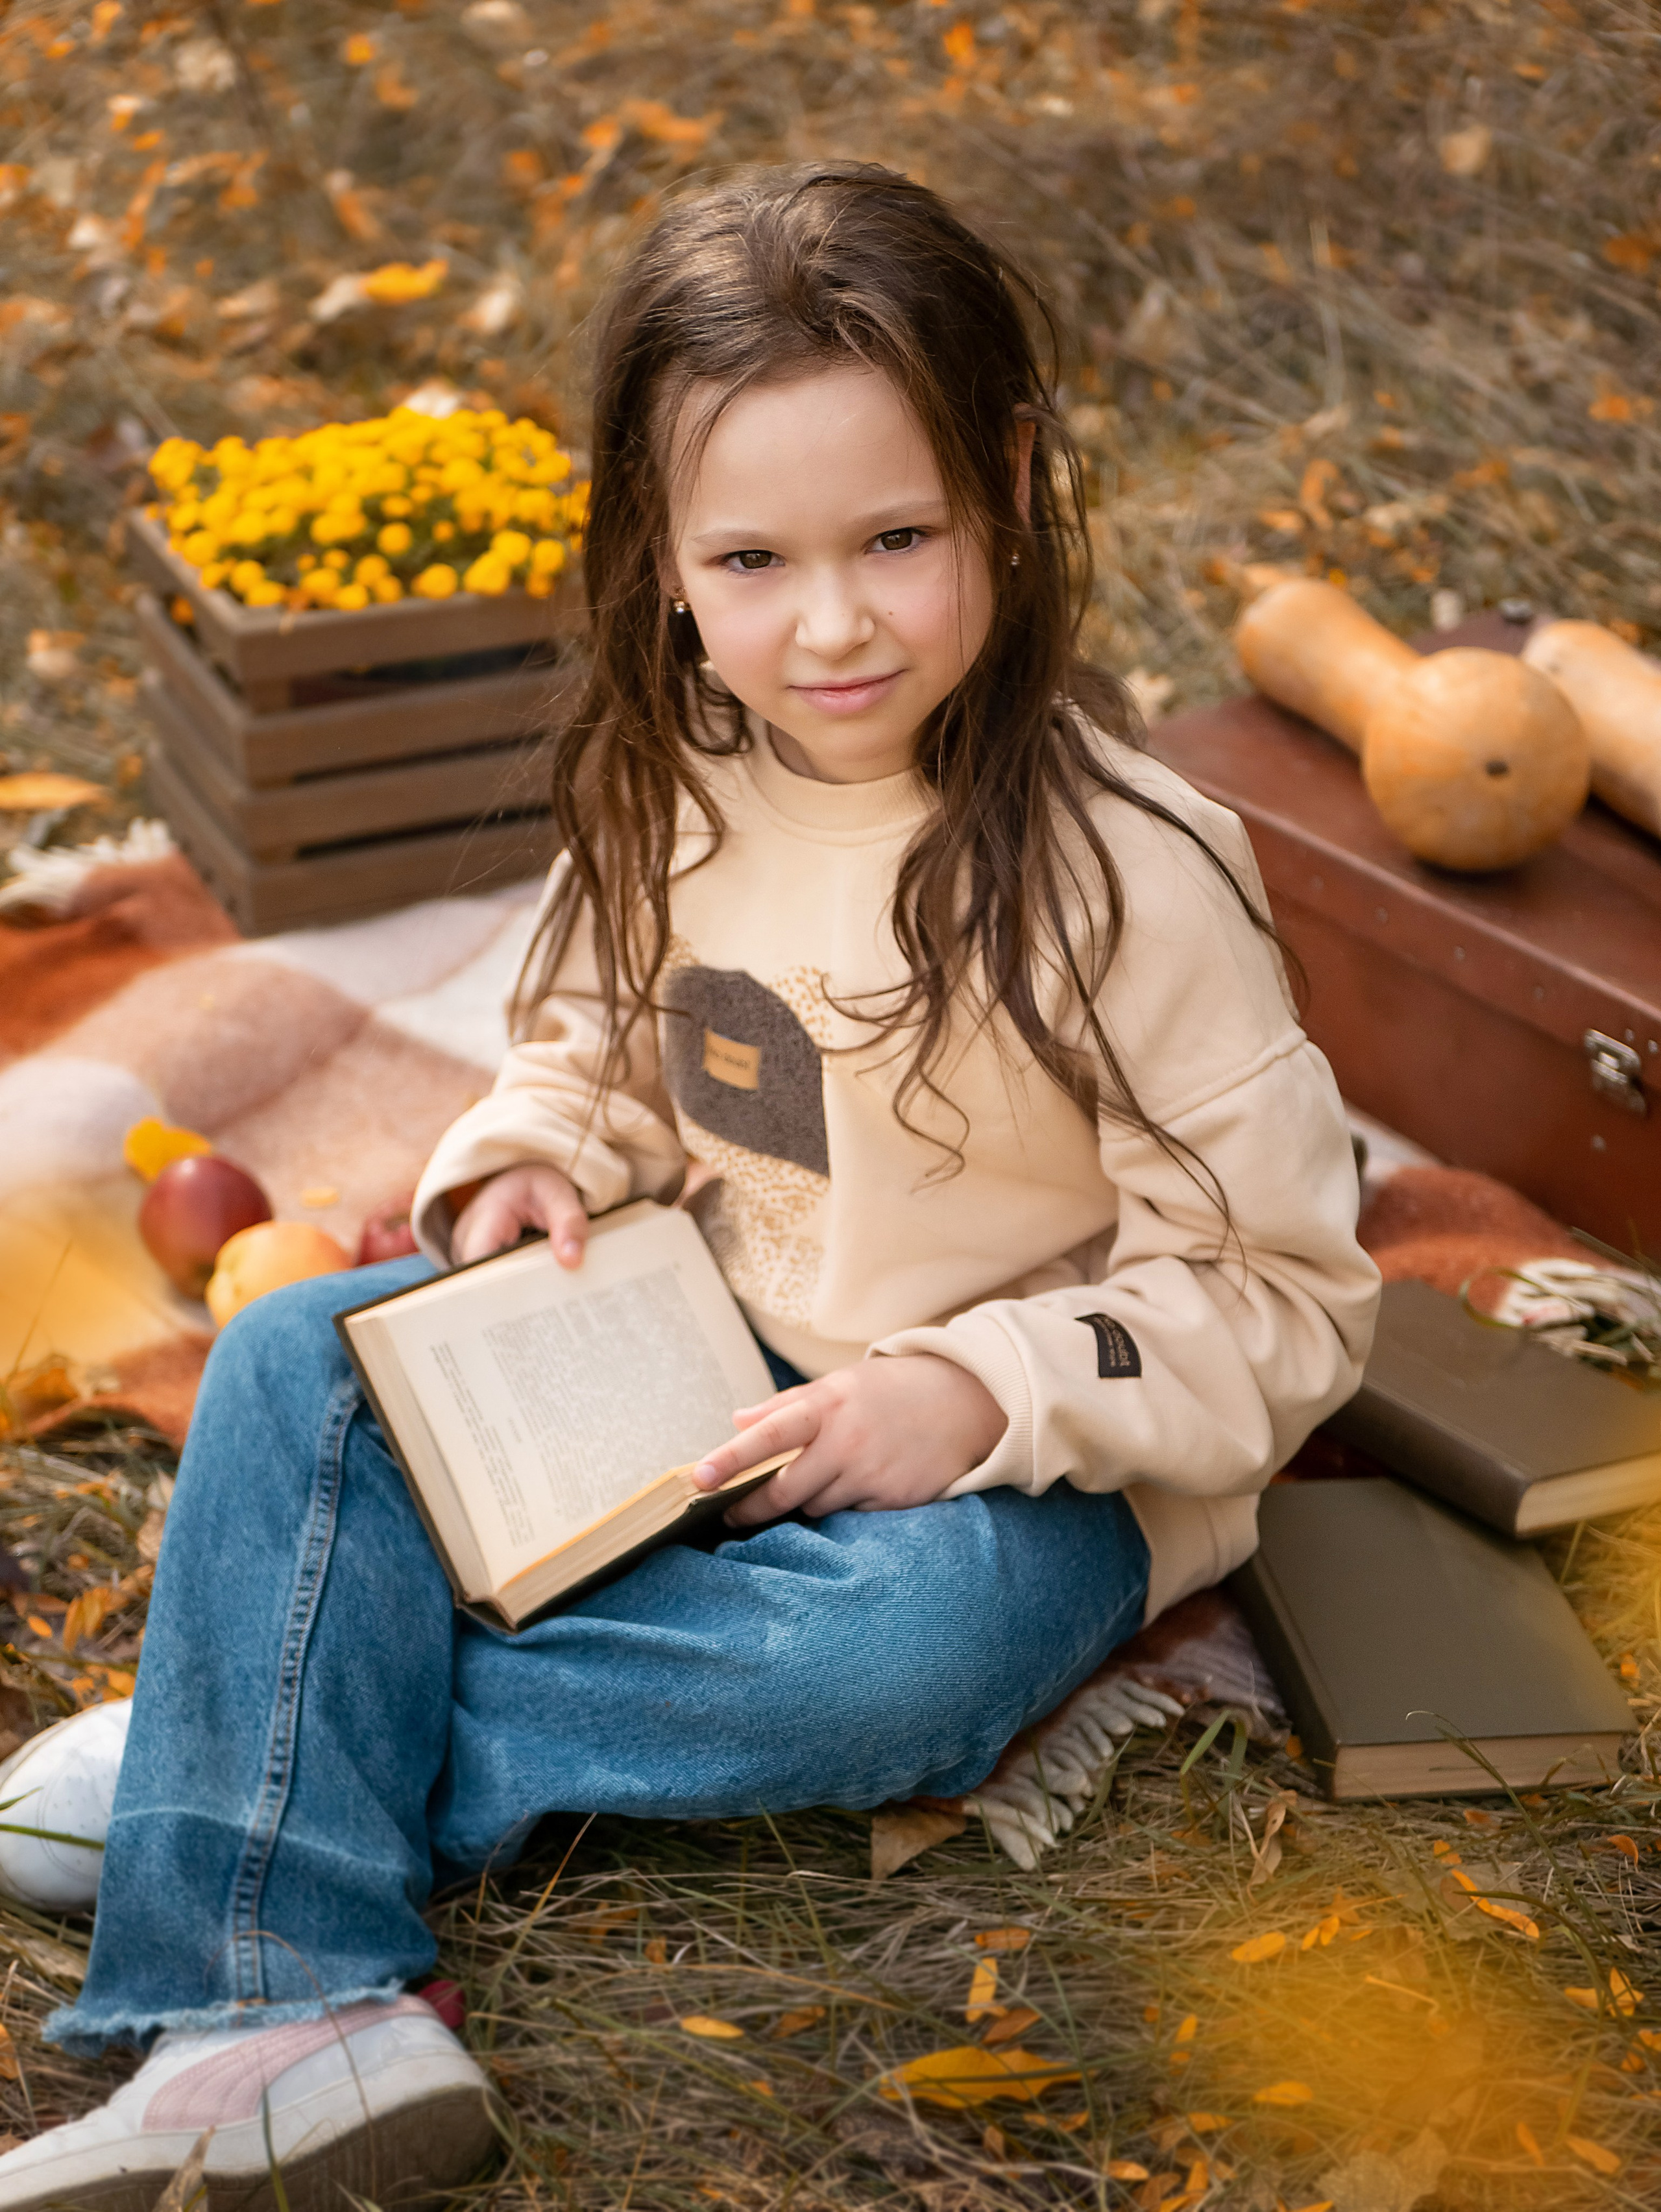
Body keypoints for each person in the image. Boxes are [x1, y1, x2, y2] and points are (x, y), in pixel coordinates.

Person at [0, 163, 1379, 2207]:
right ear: (659, 556)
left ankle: (256, 1770)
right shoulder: (672, 780)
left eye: (899, 538)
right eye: (754, 557)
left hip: (1022, 1482)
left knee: (878, 1668)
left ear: (1008, 487)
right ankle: (291, 2014)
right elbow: (592, 1046)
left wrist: (975, 1392)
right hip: (696, 1364)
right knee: (300, 1356)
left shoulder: (1131, 877)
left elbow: (1286, 1297)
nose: (830, 621)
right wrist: (534, 1162)